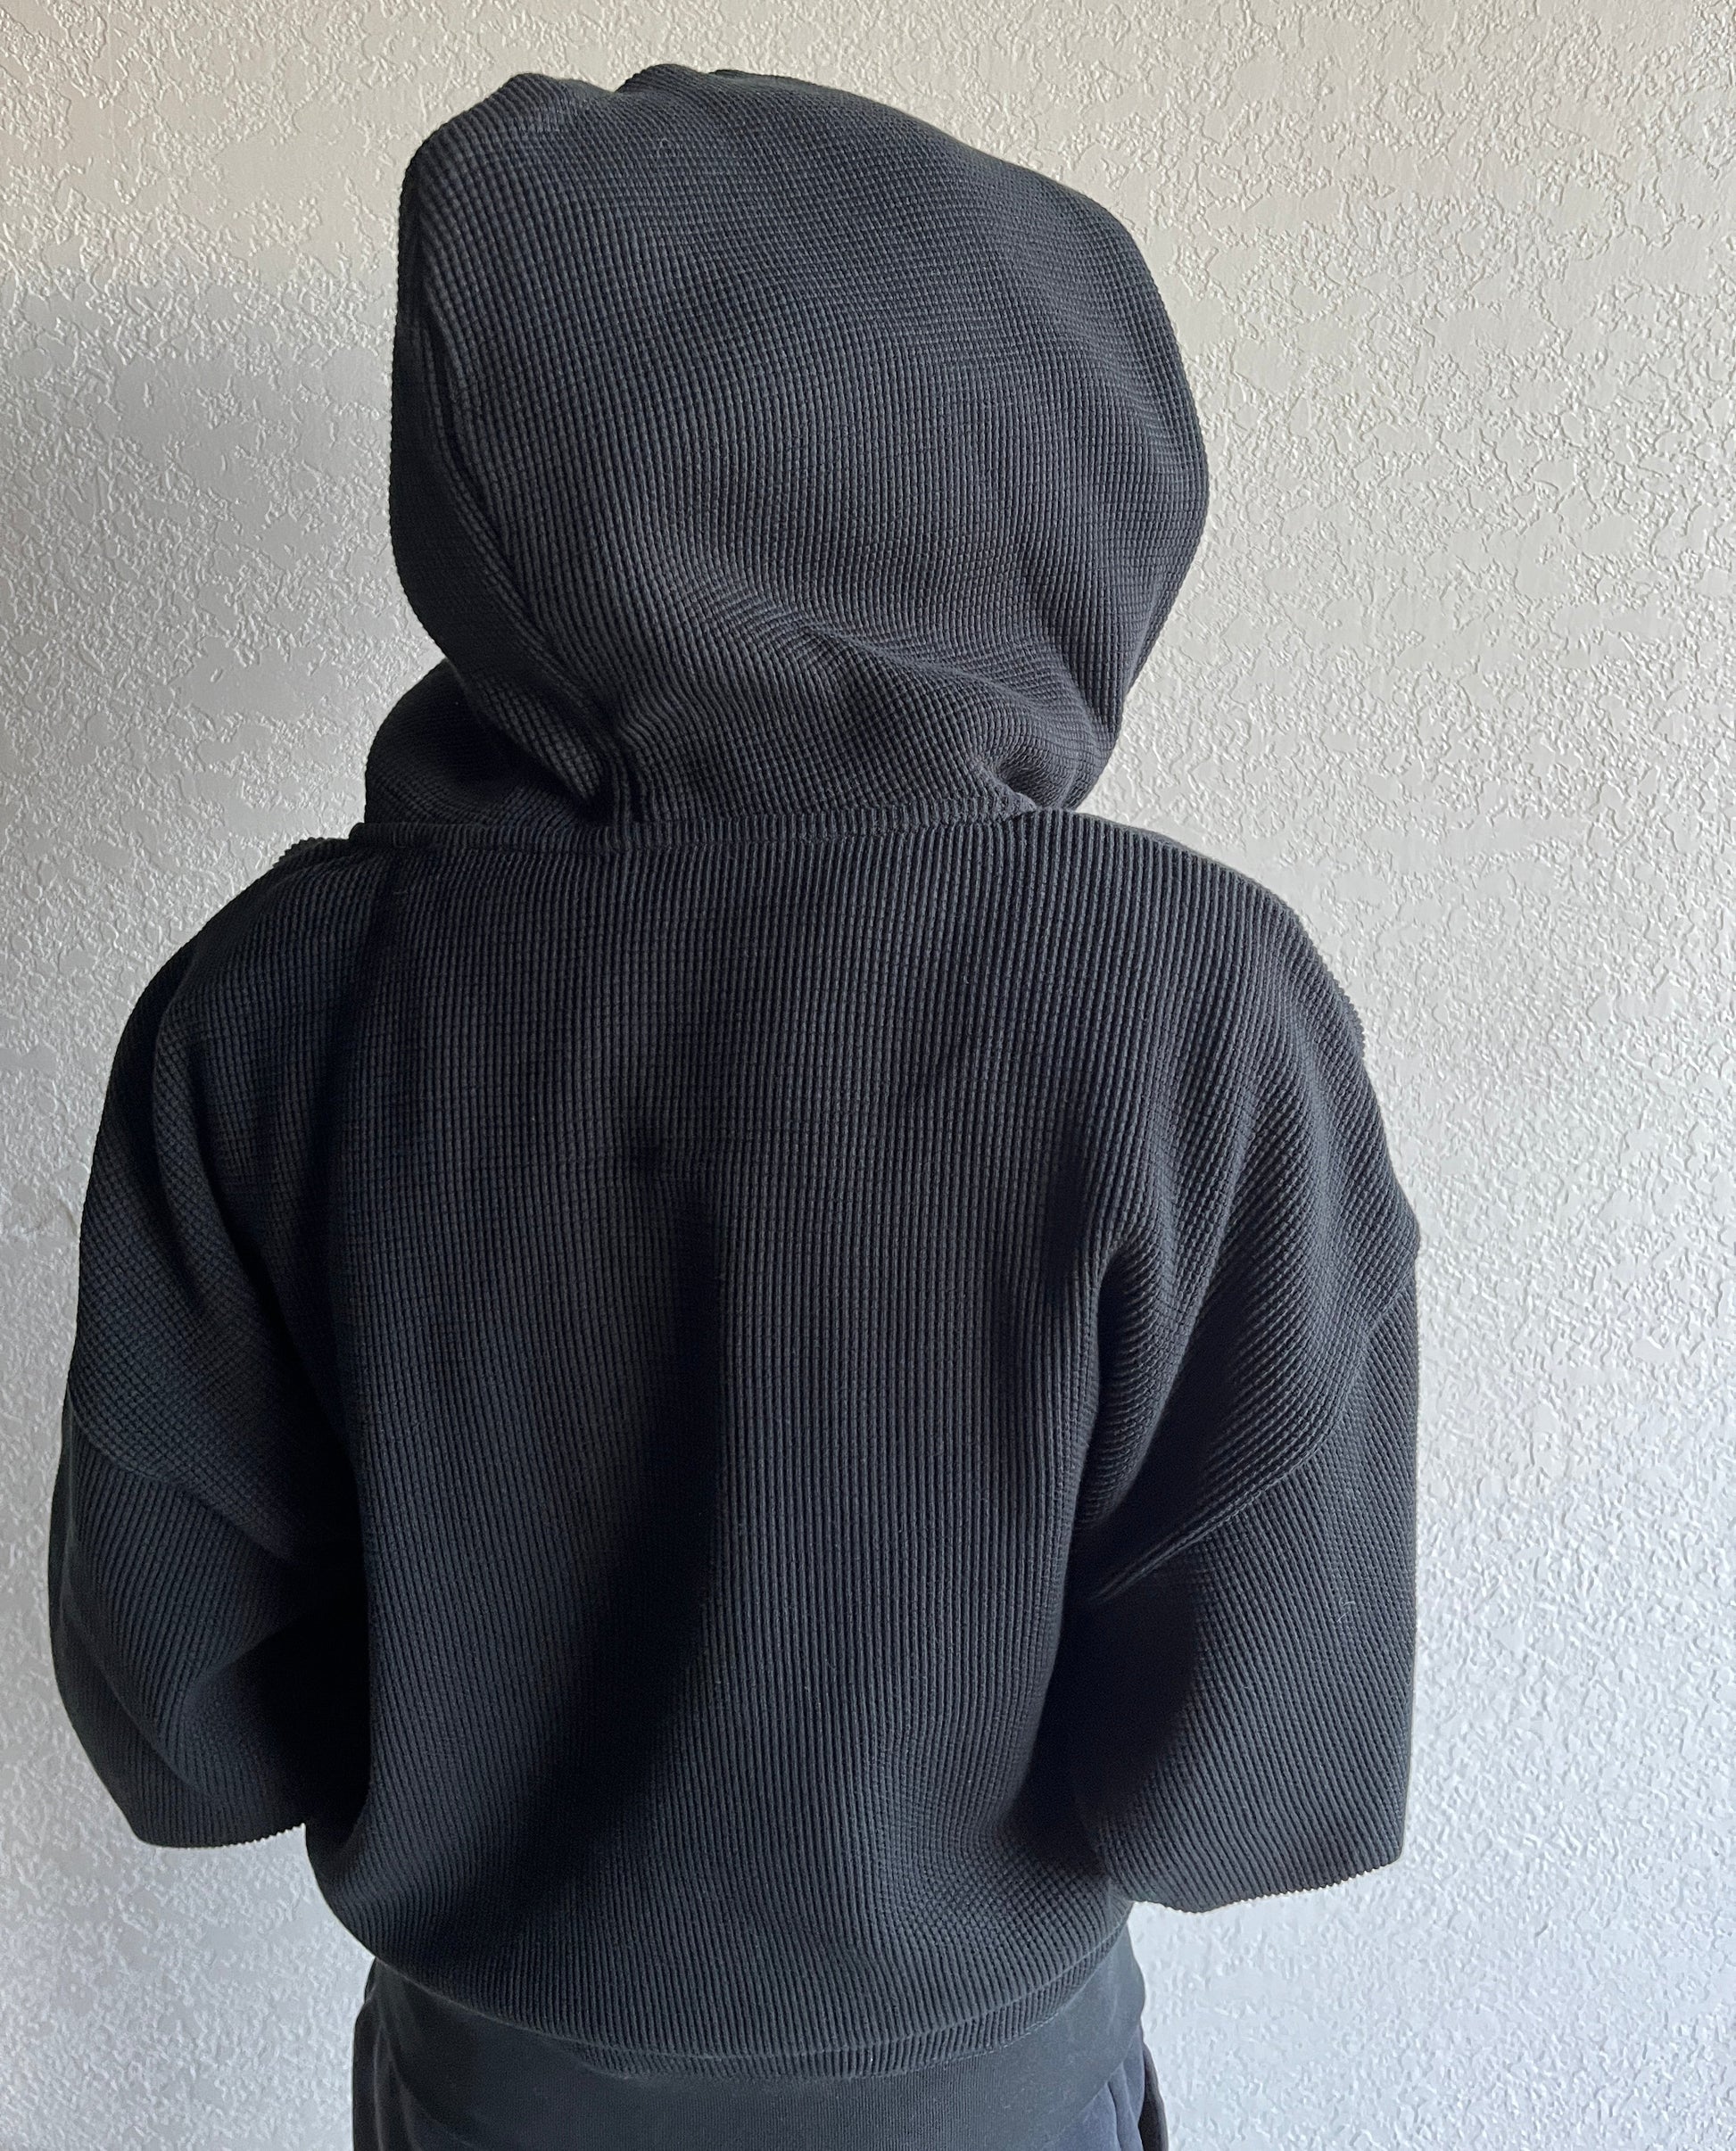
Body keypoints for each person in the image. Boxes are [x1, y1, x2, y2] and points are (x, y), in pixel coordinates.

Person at [45, 62, 1420, 2151]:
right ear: (1055, 473)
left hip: (482, 2087)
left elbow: (189, 1729)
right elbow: (1256, 1775)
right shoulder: (1190, 1001)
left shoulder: (262, 1005)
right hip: (987, 2095)